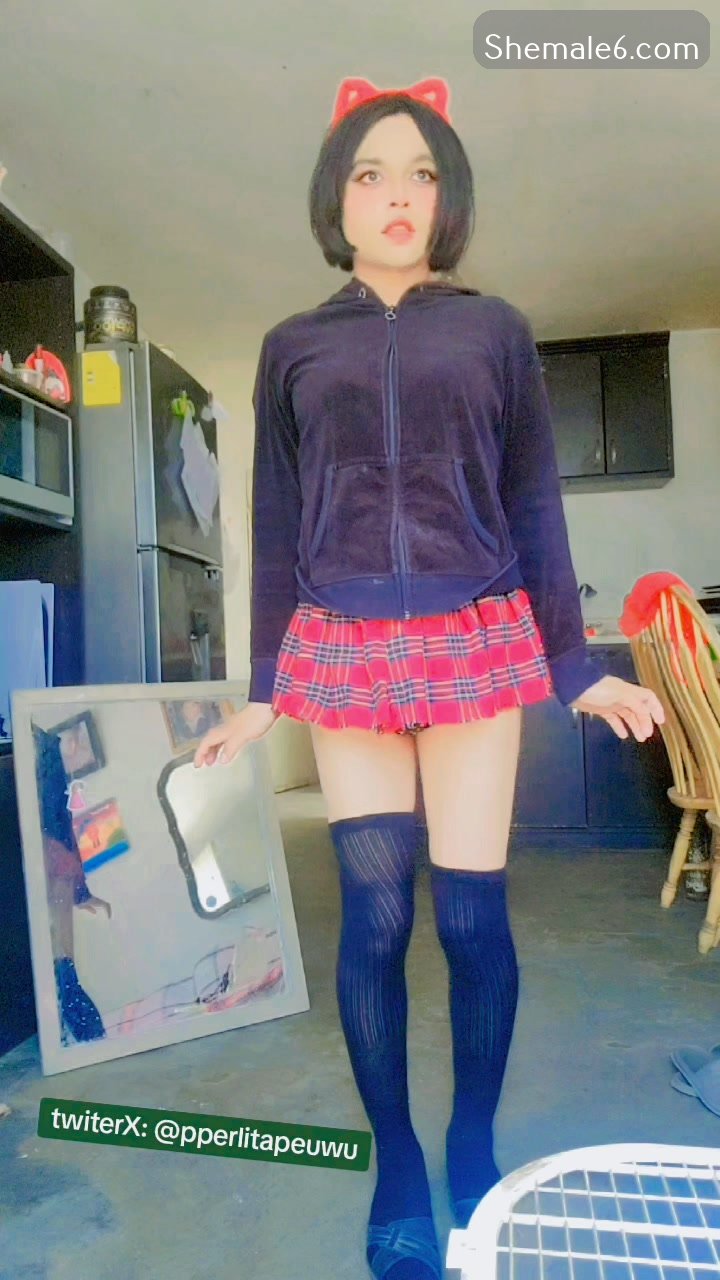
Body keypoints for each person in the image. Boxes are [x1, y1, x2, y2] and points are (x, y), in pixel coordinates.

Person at [195, 76, 665, 1280]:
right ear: (338, 198)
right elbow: (274, 519)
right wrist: (264, 686)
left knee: (469, 915)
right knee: (377, 914)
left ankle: (471, 1142)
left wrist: (573, 665)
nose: (397, 195)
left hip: (473, 632)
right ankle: (398, 1158)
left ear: (447, 198)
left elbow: (533, 504)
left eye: (420, 173)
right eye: (370, 173)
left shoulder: (495, 330)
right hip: (342, 640)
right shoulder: (294, 346)